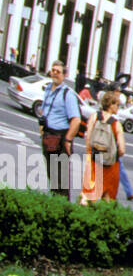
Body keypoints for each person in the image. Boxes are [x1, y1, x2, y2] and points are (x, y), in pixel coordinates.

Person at [40, 61, 84, 199]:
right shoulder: (48, 89)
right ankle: (54, 204)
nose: (54, 73)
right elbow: (44, 110)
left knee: (61, 179)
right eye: (53, 70)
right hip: (48, 135)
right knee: (51, 175)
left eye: (58, 71)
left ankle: (63, 209)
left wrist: (68, 140)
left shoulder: (68, 94)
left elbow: (76, 120)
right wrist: (42, 130)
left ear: (64, 75)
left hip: (60, 138)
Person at [79, 89, 127, 204]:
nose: (118, 108)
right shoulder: (117, 124)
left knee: (88, 191)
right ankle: (104, 216)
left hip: (94, 159)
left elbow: (88, 138)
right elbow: (121, 150)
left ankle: (82, 213)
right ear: (111, 105)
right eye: (117, 105)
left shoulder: (94, 117)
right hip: (110, 164)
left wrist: (89, 153)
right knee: (108, 195)